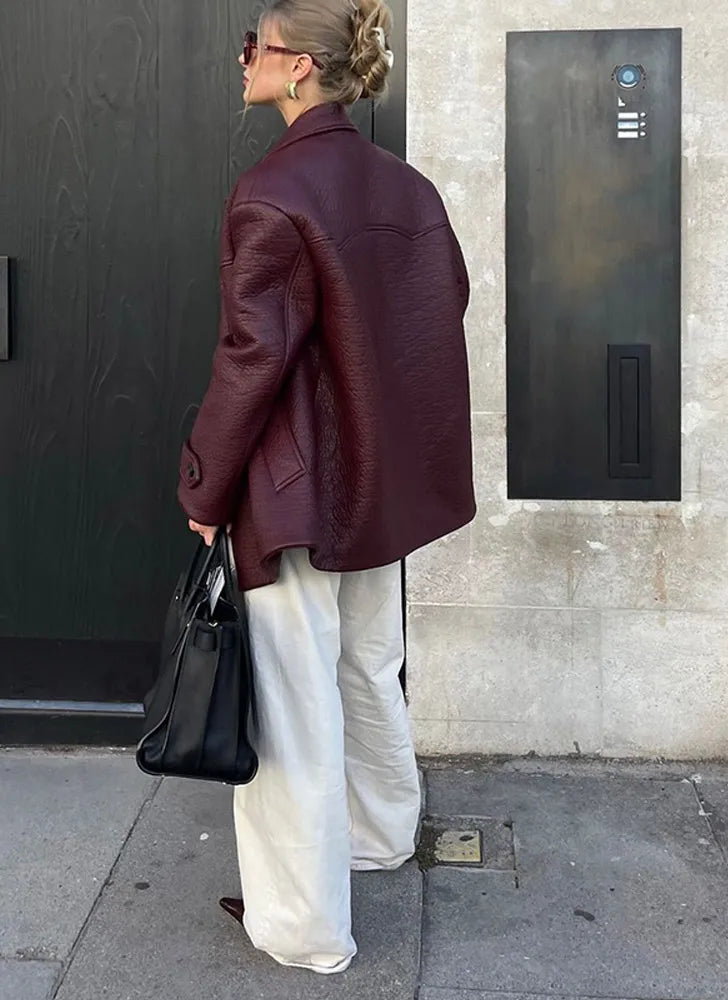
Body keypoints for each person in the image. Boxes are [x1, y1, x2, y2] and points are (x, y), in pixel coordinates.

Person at [176, 0, 475, 976]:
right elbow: (441, 310)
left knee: (296, 697)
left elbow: (249, 358)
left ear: (298, 67)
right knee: (367, 665)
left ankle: (304, 925)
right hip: (378, 483)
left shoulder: (273, 191)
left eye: (253, 47)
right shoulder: (407, 185)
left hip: (297, 489)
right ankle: (380, 834)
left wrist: (205, 483)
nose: (243, 61)